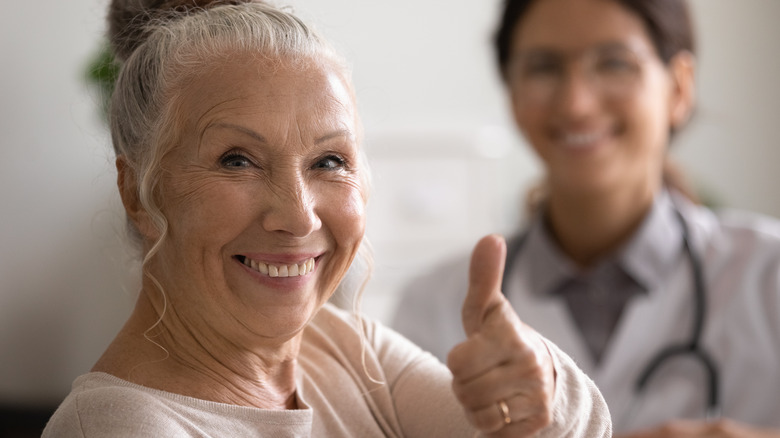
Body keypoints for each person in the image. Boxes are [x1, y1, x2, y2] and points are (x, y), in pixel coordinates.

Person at [41, 1, 611, 437]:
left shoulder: (345, 348)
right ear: (137, 193)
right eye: (237, 160)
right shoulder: (122, 426)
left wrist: (542, 392)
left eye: (329, 161)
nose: (296, 214)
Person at [391, 0, 780, 437]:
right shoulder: (429, 308)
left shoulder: (769, 275)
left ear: (679, 89)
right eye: (543, 67)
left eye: (615, 63)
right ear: (512, 94)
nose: (576, 104)